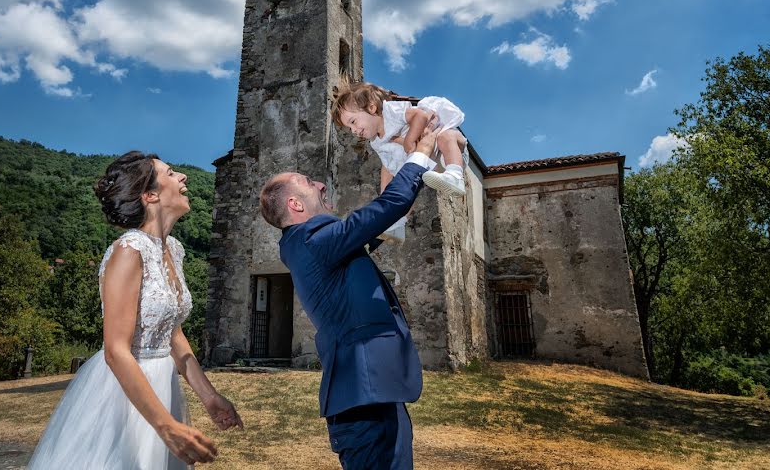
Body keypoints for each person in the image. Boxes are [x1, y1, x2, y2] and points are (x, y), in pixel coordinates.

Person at [28, 151, 242, 469]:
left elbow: (172, 334)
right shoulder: (129, 251)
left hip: (163, 385)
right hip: (123, 393)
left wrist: (209, 397)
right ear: (150, 195)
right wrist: (165, 425)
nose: (183, 177)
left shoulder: (174, 250)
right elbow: (116, 350)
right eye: (171, 174)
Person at [259, 128, 438, 470]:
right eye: (308, 182)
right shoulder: (312, 240)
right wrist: (423, 151)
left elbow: (378, 224)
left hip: (371, 394)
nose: (321, 185)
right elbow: (379, 213)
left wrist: (395, 182)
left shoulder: (311, 244)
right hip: (363, 398)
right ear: (295, 205)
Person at [331, 82, 468, 241]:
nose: (353, 131)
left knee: (446, 136)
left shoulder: (391, 112)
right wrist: (384, 199)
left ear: (372, 108)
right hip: (431, 163)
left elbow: (420, 116)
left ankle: (455, 175)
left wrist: (408, 140)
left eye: (353, 122)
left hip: (449, 152)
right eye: (349, 128)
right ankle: (397, 225)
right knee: (403, 189)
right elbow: (388, 167)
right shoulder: (376, 141)